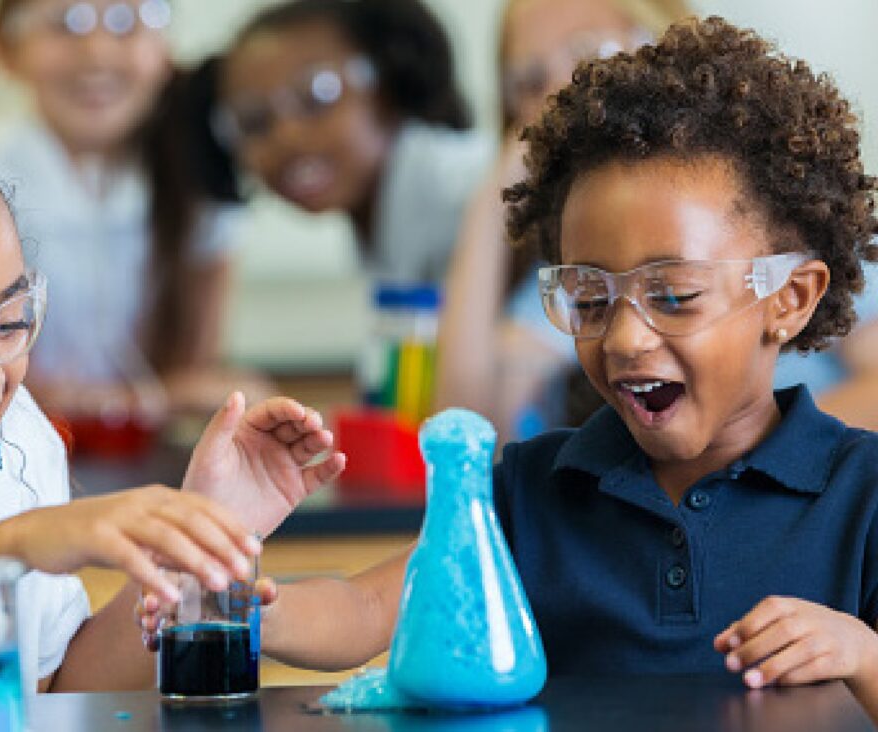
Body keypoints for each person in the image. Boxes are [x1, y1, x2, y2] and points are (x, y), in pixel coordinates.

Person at [145, 16, 878, 718]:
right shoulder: (537, 490)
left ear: (790, 299)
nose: (624, 339)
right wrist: (230, 604)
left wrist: (863, 654)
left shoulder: (862, 495)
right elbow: (371, 607)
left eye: (674, 295)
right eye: (588, 299)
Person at [0, 103, 345, 693]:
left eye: (9, 323)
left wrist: (193, 549)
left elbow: (61, 694)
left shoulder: (19, 445)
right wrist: (20, 544)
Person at [0, 0, 268, 420]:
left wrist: (130, 403)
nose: (98, 52)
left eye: (126, 23)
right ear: (6, 48)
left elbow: (201, 372)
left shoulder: (198, 175)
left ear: (163, 48)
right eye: (67, 23)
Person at [436, 0, 691, 441]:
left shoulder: (765, 210)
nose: (561, 93)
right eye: (531, 82)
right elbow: (466, 437)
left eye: (589, 55)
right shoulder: (568, 277)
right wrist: (493, 200)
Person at [210, 0, 492, 285]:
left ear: (386, 80)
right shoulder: (380, 218)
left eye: (317, 96)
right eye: (253, 121)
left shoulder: (461, 188)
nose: (287, 136)